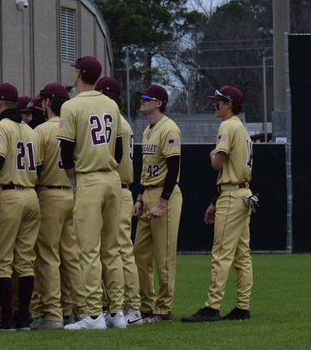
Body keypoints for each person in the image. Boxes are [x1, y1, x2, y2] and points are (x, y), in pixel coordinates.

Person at [58, 56, 127, 331]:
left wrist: (76, 175)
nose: (73, 73)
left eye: (75, 69)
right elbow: (120, 150)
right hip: (112, 177)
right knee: (112, 250)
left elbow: (65, 151)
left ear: (80, 74)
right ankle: (118, 313)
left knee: (88, 250)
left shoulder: (71, 105)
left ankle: (94, 315)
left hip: (89, 179)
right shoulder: (110, 103)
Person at [183, 86, 255, 323]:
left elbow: (217, 163)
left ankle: (212, 307)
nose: (216, 104)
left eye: (219, 101)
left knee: (221, 253)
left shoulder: (228, 125)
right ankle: (242, 308)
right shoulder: (242, 129)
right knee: (242, 256)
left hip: (233, 196)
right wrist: (214, 201)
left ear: (229, 104)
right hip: (243, 193)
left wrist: (212, 153)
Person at [0, 82, 41, 330]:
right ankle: (23, 316)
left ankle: (7, 317)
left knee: (2, 259)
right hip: (31, 194)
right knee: (26, 260)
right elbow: (40, 166)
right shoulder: (30, 130)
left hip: (8, 194)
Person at [133, 85, 183, 323]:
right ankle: (147, 306)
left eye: (146, 98)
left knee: (163, 256)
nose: (142, 101)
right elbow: (145, 168)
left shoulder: (169, 127)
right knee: (140, 255)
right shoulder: (147, 130)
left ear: (159, 103)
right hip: (148, 192)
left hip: (166, 194)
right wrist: (140, 197)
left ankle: (163, 310)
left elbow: (174, 167)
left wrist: (162, 202)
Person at [32, 82, 79, 330]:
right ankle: (73, 309)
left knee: (48, 256)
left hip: (49, 194)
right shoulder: (73, 126)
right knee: (71, 255)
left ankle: (53, 313)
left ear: (48, 102)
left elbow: (36, 167)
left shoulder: (41, 130)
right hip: (71, 193)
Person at [95, 76, 142, 327]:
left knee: (122, 249)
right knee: (116, 249)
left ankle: (132, 307)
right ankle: (121, 306)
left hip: (120, 188)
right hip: (119, 188)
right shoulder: (118, 120)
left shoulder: (117, 123)